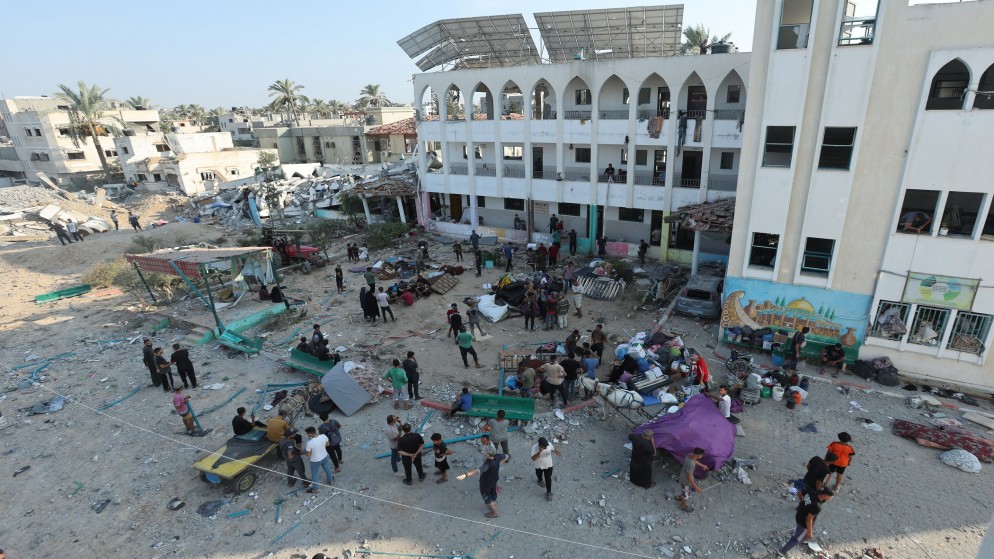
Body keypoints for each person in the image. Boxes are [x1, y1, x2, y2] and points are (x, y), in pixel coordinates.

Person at [778, 488, 835, 556]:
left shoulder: (811, 492)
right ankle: (783, 551)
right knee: (796, 539)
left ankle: (803, 537)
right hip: (803, 523)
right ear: (825, 495)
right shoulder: (817, 506)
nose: (831, 498)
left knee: (801, 534)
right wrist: (809, 532)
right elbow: (809, 519)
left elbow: (799, 492)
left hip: (799, 515)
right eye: (831, 496)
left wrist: (802, 501)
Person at [456, 449, 510, 518]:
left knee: (486, 495)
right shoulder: (498, 456)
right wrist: (498, 464)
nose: (484, 454)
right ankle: (494, 503)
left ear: (488, 455)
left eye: (485, 453)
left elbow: (477, 471)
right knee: (493, 491)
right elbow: (507, 456)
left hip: (486, 482)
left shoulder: (487, 464)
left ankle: (495, 512)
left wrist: (465, 475)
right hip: (494, 479)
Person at [304, 426, 334, 493]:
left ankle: (316, 488)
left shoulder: (309, 443)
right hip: (324, 456)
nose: (307, 435)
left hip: (315, 460)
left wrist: (308, 451)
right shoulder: (323, 436)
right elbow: (328, 444)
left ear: (310, 434)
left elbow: (308, 454)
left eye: (307, 433)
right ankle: (331, 481)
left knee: (315, 474)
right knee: (327, 469)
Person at [531, 436, 561, 502]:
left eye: (546, 445)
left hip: (549, 465)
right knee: (539, 475)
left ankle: (549, 493)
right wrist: (539, 452)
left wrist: (557, 453)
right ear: (540, 445)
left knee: (548, 479)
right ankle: (540, 480)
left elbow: (552, 449)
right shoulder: (534, 448)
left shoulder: (549, 444)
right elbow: (533, 459)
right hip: (538, 466)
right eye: (544, 446)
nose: (546, 447)